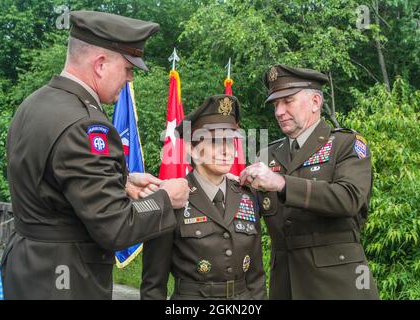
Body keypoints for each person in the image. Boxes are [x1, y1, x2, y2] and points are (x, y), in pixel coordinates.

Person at [1, 10, 189, 300]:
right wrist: (166, 199)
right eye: (128, 69)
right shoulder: (86, 125)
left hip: (28, 267)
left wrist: (122, 180)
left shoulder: (35, 103)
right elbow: (115, 227)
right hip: (65, 280)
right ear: (100, 64)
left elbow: (52, 180)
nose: (129, 80)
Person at [240, 64, 379, 299]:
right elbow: (245, 213)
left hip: (338, 285)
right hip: (285, 285)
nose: (279, 112)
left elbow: (349, 198)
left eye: (288, 101)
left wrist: (282, 183)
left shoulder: (346, 144)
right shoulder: (267, 155)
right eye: (276, 104)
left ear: (315, 102)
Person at [141, 95, 266, 300]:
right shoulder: (172, 198)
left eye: (231, 141)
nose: (227, 151)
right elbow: (153, 285)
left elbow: (256, 278)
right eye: (216, 141)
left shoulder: (247, 196)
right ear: (192, 149)